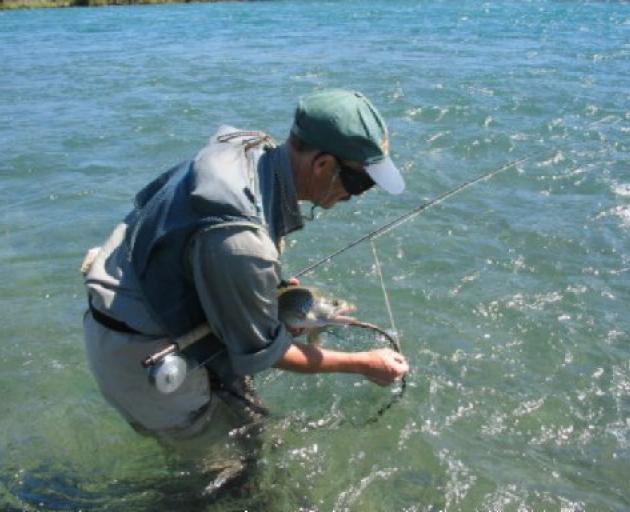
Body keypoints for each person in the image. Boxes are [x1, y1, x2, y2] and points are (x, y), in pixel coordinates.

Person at [82, 88, 409, 441]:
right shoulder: (242, 243)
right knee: (224, 476)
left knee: (250, 435)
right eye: (359, 184)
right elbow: (265, 355)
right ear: (322, 164)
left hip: (132, 293)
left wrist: (262, 294)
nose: (353, 197)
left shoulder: (247, 147)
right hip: (141, 354)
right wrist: (363, 364)